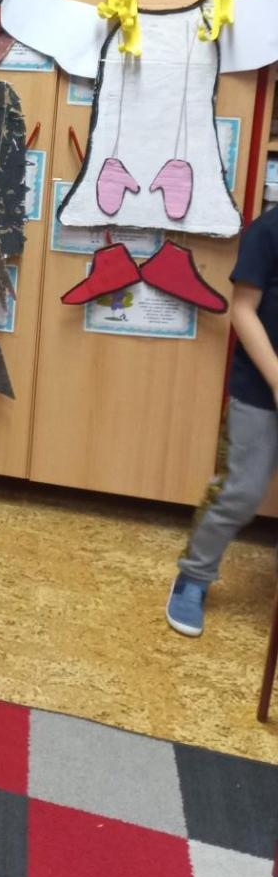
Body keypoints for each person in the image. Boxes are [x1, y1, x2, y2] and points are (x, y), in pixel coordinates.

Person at [167, 203, 278, 636]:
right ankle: (193, 576)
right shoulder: (268, 230)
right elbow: (244, 310)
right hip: (259, 391)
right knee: (240, 492)